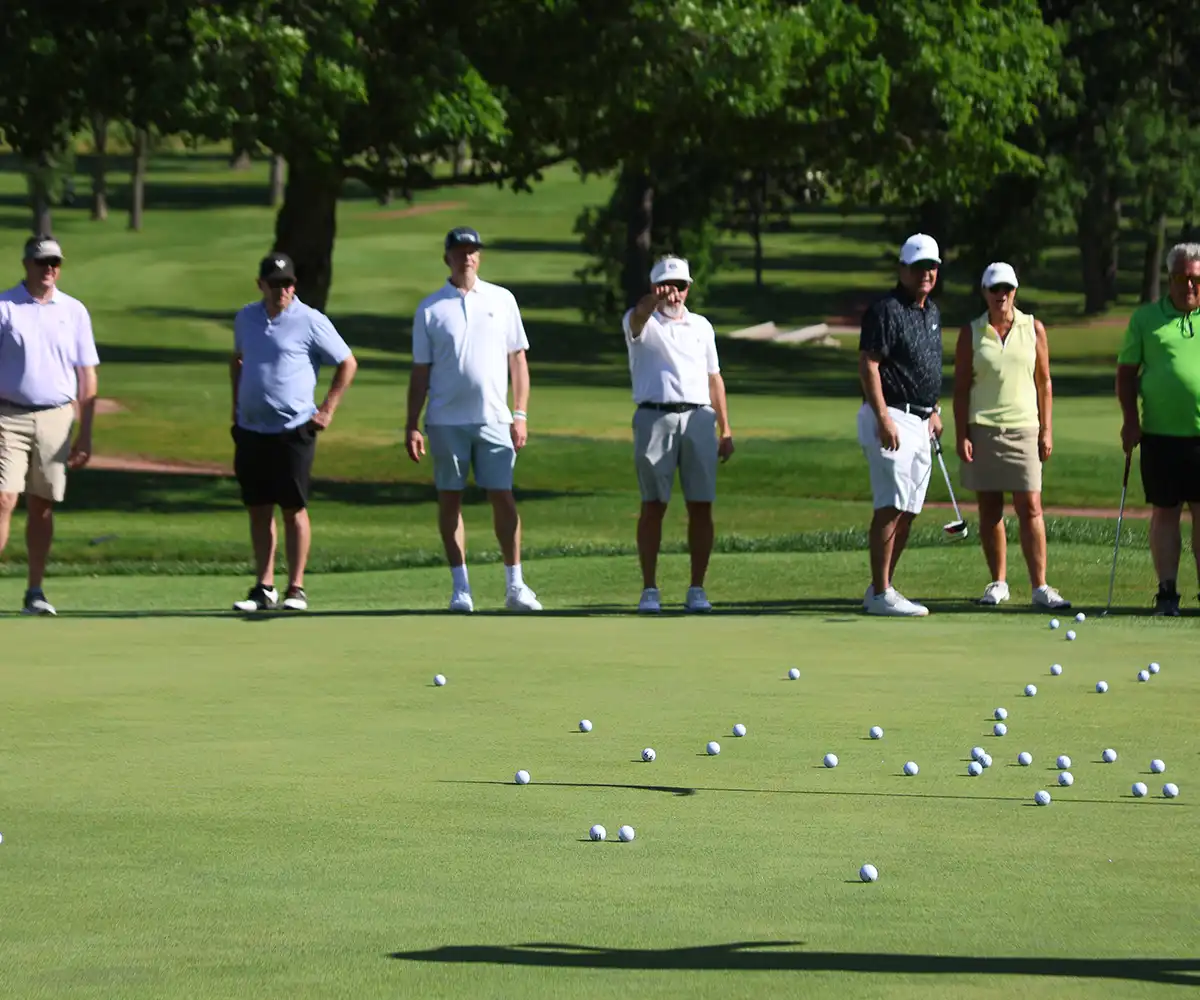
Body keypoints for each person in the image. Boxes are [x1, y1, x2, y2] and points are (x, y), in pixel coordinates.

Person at [405, 227, 541, 613]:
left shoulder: (502, 299)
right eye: (460, 251)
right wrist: (412, 423)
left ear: (479, 256)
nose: (467, 257)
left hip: (495, 417)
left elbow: (518, 359)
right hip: (445, 420)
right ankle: (461, 588)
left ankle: (515, 586)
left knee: (502, 496)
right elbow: (420, 371)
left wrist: (520, 413)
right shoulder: (430, 308)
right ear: (447, 257)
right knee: (450, 498)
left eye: (473, 251)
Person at [230, 253, 357, 612]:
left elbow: (347, 362)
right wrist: (236, 406)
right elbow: (238, 360)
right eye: (274, 284)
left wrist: (327, 409)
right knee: (258, 509)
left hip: (293, 429)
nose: (281, 290)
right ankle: (264, 587)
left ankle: (296, 588)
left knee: (293, 508)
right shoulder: (246, 318)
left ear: (294, 285)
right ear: (261, 285)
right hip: (251, 428)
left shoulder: (310, 320)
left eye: (287, 284)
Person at [953, 262, 1071, 609]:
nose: (1000, 295)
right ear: (984, 292)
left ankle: (1040, 586)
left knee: (1031, 507)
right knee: (990, 509)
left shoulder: (1033, 328)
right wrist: (962, 434)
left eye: (1006, 289)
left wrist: (1047, 429)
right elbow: (961, 389)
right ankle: (998, 583)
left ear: (1015, 291)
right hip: (983, 428)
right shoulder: (971, 332)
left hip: (1025, 429)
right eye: (994, 289)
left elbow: (1044, 382)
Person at [623, 255, 734, 613]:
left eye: (681, 286)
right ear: (654, 288)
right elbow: (639, 315)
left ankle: (697, 589)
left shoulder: (701, 326)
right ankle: (649, 589)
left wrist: (726, 428)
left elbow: (714, 378)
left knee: (701, 505)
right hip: (654, 417)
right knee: (653, 505)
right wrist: (653, 300)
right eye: (666, 287)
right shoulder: (641, 321)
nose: (674, 294)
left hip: (699, 418)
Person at [0, 234, 100, 615]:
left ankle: (35, 591)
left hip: (57, 417)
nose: (49, 269)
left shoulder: (73, 311)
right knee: (4, 499)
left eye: (54, 263)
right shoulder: (5, 306)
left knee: (42, 505)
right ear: (27, 264)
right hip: (8, 415)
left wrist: (85, 433)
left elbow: (87, 376)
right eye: (42, 262)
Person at [857, 233, 944, 617]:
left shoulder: (932, 312)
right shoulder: (885, 310)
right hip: (891, 416)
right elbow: (869, 365)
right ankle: (881, 593)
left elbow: (925, 366)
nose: (926, 273)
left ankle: (881, 586)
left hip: (921, 420)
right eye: (918, 267)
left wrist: (934, 409)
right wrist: (883, 418)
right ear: (902, 269)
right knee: (891, 505)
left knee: (909, 507)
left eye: (931, 267)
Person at [1116, 242, 1200, 615]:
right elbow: (1125, 374)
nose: (1189, 285)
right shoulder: (1146, 319)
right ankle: (1167, 592)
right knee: (1165, 513)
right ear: (1170, 279)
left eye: (1196, 278)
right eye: (1181, 278)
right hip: (1160, 435)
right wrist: (1130, 420)